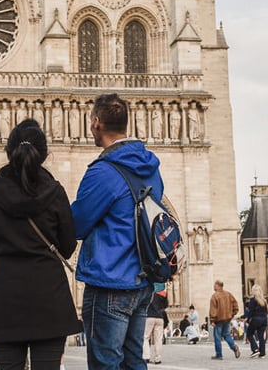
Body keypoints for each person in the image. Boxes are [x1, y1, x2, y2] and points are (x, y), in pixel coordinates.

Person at [0, 118, 81, 370]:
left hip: (6, 301)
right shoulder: (55, 192)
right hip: (49, 301)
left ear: (9, 153)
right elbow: (67, 246)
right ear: (43, 154)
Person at [71, 92, 166, 370]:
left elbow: (78, 223)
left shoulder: (103, 171)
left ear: (97, 122)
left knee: (105, 362)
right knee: (134, 360)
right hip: (141, 281)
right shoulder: (150, 166)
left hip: (111, 281)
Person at [209, 280, 240, 360]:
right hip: (227, 319)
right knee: (226, 335)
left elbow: (213, 310)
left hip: (218, 320)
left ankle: (219, 354)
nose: (213, 287)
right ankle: (234, 347)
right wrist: (232, 314)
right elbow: (236, 306)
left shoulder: (215, 296)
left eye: (214, 285)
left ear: (217, 286)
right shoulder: (228, 294)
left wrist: (212, 320)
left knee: (217, 337)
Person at [143, 284, 168, 364]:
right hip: (160, 317)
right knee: (158, 339)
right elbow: (166, 305)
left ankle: (146, 356)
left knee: (145, 337)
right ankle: (158, 358)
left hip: (149, 316)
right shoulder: (163, 293)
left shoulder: (149, 291)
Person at [244, 284, 268, 358]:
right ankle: (262, 353)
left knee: (249, 334)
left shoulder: (253, 300)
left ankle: (255, 349)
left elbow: (251, 311)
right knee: (261, 336)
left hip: (256, 319)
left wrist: (247, 321)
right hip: (264, 320)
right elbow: (266, 311)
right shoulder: (264, 301)